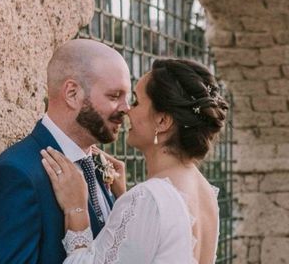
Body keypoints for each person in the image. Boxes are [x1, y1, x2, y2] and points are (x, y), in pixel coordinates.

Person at [41, 58, 229, 264]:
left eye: (137, 101)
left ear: (163, 121)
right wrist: (124, 200)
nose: (127, 109)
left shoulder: (149, 198)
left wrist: (76, 209)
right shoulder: (204, 192)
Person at [0, 39, 131, 264]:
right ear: (72, 94)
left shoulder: (100, 168)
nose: (126, 108)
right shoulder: (17, 174)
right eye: (114, 96)